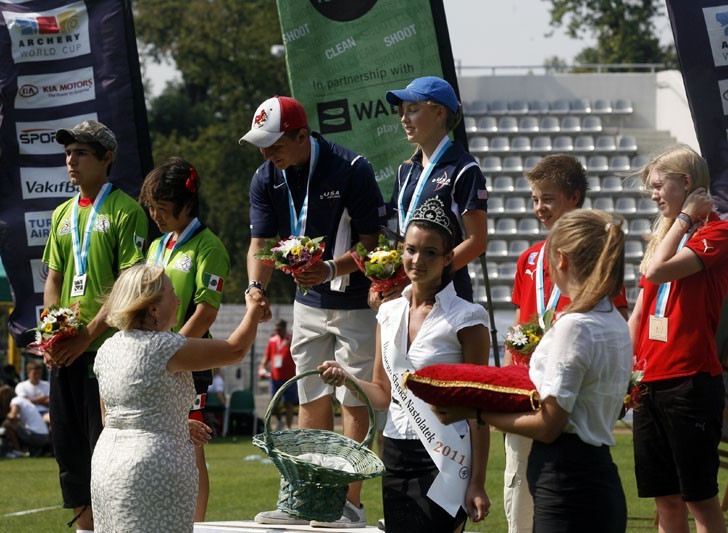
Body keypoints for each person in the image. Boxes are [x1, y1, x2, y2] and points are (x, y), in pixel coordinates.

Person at [432, 209, 632, 532]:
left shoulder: (575, 327)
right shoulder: (613, 320)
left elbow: (549, 425)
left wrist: (474, 411)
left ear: (562, 260)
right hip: (598, 478)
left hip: (566, 484)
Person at [241, 95, 386, 528]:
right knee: (311, 394)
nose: (268, 154)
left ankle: (350, 504)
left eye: (274, 144)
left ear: (303, 135)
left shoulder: (351, 167)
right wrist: (255, 287)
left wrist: (328, 268)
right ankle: (306, 498)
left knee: (353, 397)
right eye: (262, 146)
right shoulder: (265, 177)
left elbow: (372, 246)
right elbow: (260, 245)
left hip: (356, 301)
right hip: (307, 303)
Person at [319, 200, 491, 532]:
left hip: (445, 457)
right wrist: (346, 379)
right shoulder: (389, 312)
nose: (418, 260)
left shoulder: (467, 318)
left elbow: (477, 409)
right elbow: (383, 394)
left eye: (430, 252)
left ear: (448, 258)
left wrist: (478, 482)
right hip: (396, 450)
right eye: (411, 250)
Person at [90, 263, 265, 533]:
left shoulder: (107, 348)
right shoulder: (164, 346)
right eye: (172, 293)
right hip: (153, 468)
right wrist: (254, 310)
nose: (179, 299)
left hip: (106, 465)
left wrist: (175, 423)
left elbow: (113, 416)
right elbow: (235, 350)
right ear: (153, 308)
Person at [505, 154, 629, 532]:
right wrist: (521, 346)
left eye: (548, 198)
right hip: (525, 388)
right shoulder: (528, 258)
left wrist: (476, 413)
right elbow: (516, 325)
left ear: (574, 197)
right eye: (535, 199)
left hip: (565, 398)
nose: (539, 208)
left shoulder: (598, 261)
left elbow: (615, 319)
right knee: (517, 482)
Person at [43, 119, 148, 532]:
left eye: (81, 152)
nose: (71, 160)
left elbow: (128, 285)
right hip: (65, 350)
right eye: (68, 153)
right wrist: (53, 333)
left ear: (107, 158)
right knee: (68, 447)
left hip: (105, 350)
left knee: (104, 446)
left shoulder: (127, 211)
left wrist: (85, 335)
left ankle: (113, 525)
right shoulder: (62, 213)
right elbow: (53, 278)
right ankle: (85, 528)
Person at [628, 145, 728, 532]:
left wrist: (686, 217)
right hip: (649, 382)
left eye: (658, 186)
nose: (653, 195)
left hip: (690, 380)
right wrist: (628, 370)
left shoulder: (718, 231)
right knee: (666, 499)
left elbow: (657, 273)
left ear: (685, 183)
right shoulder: (664, 237)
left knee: (700, 500)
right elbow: (639, 313)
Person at [139, 156, 231, 523]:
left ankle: (197, 526)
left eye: (162, 208)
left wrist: (169, 352)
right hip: (153, 361)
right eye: (151, 208)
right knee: (155, 445)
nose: (156, 216)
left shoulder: (209, 247)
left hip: (187, 364)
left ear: (187, 205)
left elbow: (206, 312)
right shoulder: (156, 247)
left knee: (191, 450)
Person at [380, 76, 488, 305]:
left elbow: (477, 242)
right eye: (402, 111)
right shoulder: (405, 170)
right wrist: (382, 282)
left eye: (413, 110)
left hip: (447, 295)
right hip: (407, 293)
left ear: (439, 113)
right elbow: (396, 233)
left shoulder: (464, 168)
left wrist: (423, 278)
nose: (404, 119)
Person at [258, 319, 298, 429]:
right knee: (273, 402)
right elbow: (267, 356)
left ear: (284, 328)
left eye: (279, 329)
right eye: (275, 329)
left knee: (288, 403)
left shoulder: (291, 339)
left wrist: (291, 345)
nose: (277, 331)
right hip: (275, 377)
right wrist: (262, 366)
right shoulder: (272, 340)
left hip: (289, 377)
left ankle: (289, 427)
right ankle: (280, 421)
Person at [0, 385, 50, 458]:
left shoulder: (15, 401)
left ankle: (18, 451)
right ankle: (26, 449)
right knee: (16, 425)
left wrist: (5, 415)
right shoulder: (23, 400)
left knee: (7, 424)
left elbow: (12, 416)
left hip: (37, 437)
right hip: (44, 436)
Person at [15, 359, 51, 425]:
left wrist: (32, 400)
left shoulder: (47, 385)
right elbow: (24, 402)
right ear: (28, 373)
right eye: (35, 373)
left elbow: (51, 402)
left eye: (39, 373)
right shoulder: (21, 386)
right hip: (28, 414)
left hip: (45, 413)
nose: (37, 376)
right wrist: (44, 397)